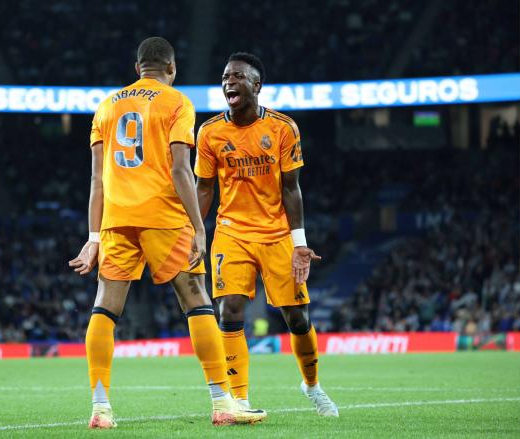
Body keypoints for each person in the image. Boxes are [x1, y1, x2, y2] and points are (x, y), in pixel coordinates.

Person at [68, 38, 266, 429]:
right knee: (196, 301)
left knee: (105, 308)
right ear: (171, 68)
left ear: (138, 66)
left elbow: (96, 179)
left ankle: (100, 408)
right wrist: (197, 226)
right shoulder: (176, 102)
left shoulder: (106, 106)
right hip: (163, 214)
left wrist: (93, 237)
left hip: (116, 219)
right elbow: (180, 171)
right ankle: (222, 402)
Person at [195, 52, 339, 417]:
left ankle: (311, 385)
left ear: (256, 86)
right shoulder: (209, 132)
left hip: (277, 233)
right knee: (229, 309)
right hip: (231, 232)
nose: (229, 82)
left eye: (238, 77)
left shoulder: (283, 128)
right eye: (225, 76)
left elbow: (292, 188)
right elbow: (204, 188)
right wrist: (194, 232)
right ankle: (239, 398)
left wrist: (300, 243)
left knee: (297, 318)